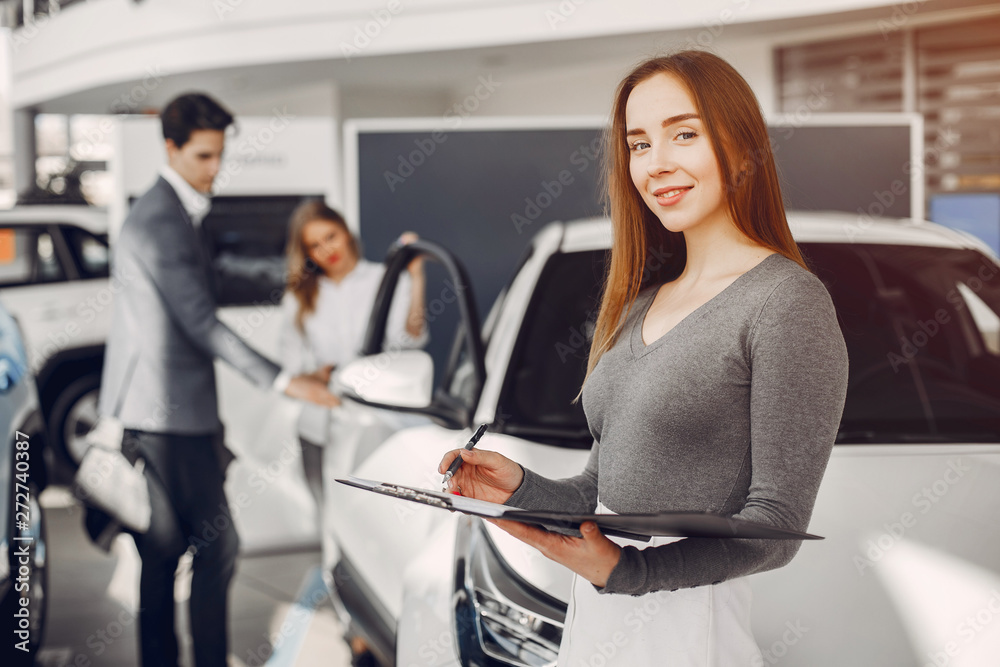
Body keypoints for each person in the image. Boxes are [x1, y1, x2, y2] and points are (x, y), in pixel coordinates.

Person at [438, 50, 849, 665]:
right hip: (601, 618)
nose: (657, 164)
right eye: (638, 144)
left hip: (687, 629)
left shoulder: (786, 303)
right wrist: (518, 487)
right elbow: (602, 494)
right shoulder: (641, 305)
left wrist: (633, 571)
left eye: (684, 134)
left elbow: (776, 526)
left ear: (740, 145)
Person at [97, 92, 339, 667]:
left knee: (166, 554)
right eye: (203, 156)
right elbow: (201, 323)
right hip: (164, 417)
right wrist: (286, 381)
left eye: (220, 155)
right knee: (214, 545)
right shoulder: (160, 221)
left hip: (166, 413)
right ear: (171, 147)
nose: (215, 168)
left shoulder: (171, 213)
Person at [279, 199, 428, 512]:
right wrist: (314, 375)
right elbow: (290, 366)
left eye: (330, 236)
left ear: (346, 232)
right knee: (330, 509)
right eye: (314, 245)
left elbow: (409, 341)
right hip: (323, 417)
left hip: (380, 414)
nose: (326, 250)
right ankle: (330, 559)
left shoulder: (386, 279)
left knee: (379, 507)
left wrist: (417, 278)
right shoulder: (299, 296)